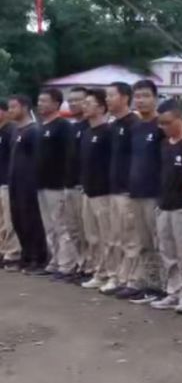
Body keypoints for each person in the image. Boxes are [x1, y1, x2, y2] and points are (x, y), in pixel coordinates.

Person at [150, 99, 182, 312]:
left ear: (180, 119)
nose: (164, 128)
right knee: (168, 253)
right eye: (160, 124)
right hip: (164, 205)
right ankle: (173, 291)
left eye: (167, 122)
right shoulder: (163, 145)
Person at [120, 79, 165, 303]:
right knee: (143, 244)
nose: (141, 100)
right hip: (135, 193)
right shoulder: (135, 128)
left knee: (159, 243)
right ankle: (150, 286)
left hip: (154, 194)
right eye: (137, 96)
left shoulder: (161, 126)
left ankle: (165, 288)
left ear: (155, 98)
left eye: (146, 96)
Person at [34, 88, 77, 281]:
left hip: (57, 185)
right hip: (42, 184)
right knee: (49, 226)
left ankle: (66, 265)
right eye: (39, 101)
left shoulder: (64, 127)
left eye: (45, 101)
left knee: (62, 226)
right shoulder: (42, 126)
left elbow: (69, 156)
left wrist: (66, 181)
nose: (40, 104)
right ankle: (54, 261)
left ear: (56, 104)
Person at [101, 82, 138, 296]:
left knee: (129, 237)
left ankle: (130, 279)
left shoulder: (134, 124)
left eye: (111, 95)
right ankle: (116, 276)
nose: (107, 99)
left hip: (127, 190)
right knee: (114, 237)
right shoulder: (112, 126)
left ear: (124, 98)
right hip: (111, 188)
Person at [8, 95, 48, 274]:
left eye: (13, 107)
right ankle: (25, 256)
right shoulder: (16, 131)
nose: (10, 111)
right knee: (18, 221)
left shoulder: (34, 131)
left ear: (24, 108)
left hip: (28, 184)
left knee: (31, 221)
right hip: (14, 183)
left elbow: (38, 160)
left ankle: (37, 258)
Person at [79, 89, 114, 290]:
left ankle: (111, 273)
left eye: (89, 103)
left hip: (104, 192)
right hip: (88, 191)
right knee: (92, 236)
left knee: (107, 236)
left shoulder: (108, 132)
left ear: (101, 108)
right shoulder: (86, 132)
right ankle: (99, 272)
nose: (84, 106)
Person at [64, 87, 90, 282]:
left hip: (84, 187)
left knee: (87, 230)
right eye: (70, 100)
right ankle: (80, 264)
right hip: (69, 185)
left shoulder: (91, 127)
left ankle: (90, 267)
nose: (73, 104)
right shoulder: (72, 128)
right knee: (73, 229)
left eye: (78, 100)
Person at [0, 100, 20, 270]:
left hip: (7, 182)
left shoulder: (11, 130)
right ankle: (2, 250)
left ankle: (12, 254)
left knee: (8, 221)